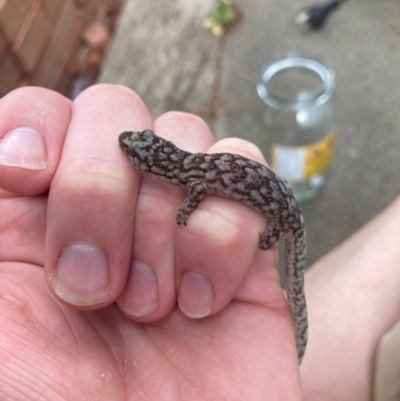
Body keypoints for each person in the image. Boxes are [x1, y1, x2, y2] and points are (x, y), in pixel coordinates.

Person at [0, 85, 399, 401]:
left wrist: (191, 215)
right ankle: (296, 351)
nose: (127, 144)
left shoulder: (192, 180)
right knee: (292, 291)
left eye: (136, 147)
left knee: (293, 283)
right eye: (136, 145)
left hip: (284, 219)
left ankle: (298, 348)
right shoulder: (190, 172)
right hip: (282, 219)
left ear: (152, 165)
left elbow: (196, 198)